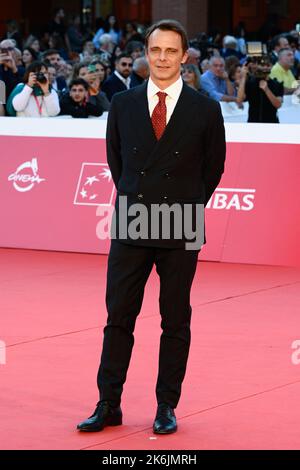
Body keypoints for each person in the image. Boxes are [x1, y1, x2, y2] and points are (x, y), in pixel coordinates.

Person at [77, 19, 225, 435]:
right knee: (118, 315)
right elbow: (116, 161)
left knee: (175, 319)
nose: (162, 58)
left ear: (184, 56)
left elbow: (213, 169)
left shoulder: (205, 109)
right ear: (147, 52)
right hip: (132, 221)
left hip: (183, 222)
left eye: (170, 51)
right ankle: (108, 403)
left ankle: (166, 405)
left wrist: (186, 205)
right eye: (155, 50)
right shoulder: (122, 103)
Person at [237, 58, 283, 123]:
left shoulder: (277, 84)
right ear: (257, 65)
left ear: (272, 66)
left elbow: (278, 105)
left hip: (272, 124)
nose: (265, 67)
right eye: (262, 65)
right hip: (253, 124)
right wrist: (243, 77)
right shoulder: (250, 83)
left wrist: (266, 90)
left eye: (268, 65)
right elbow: (239, 100)